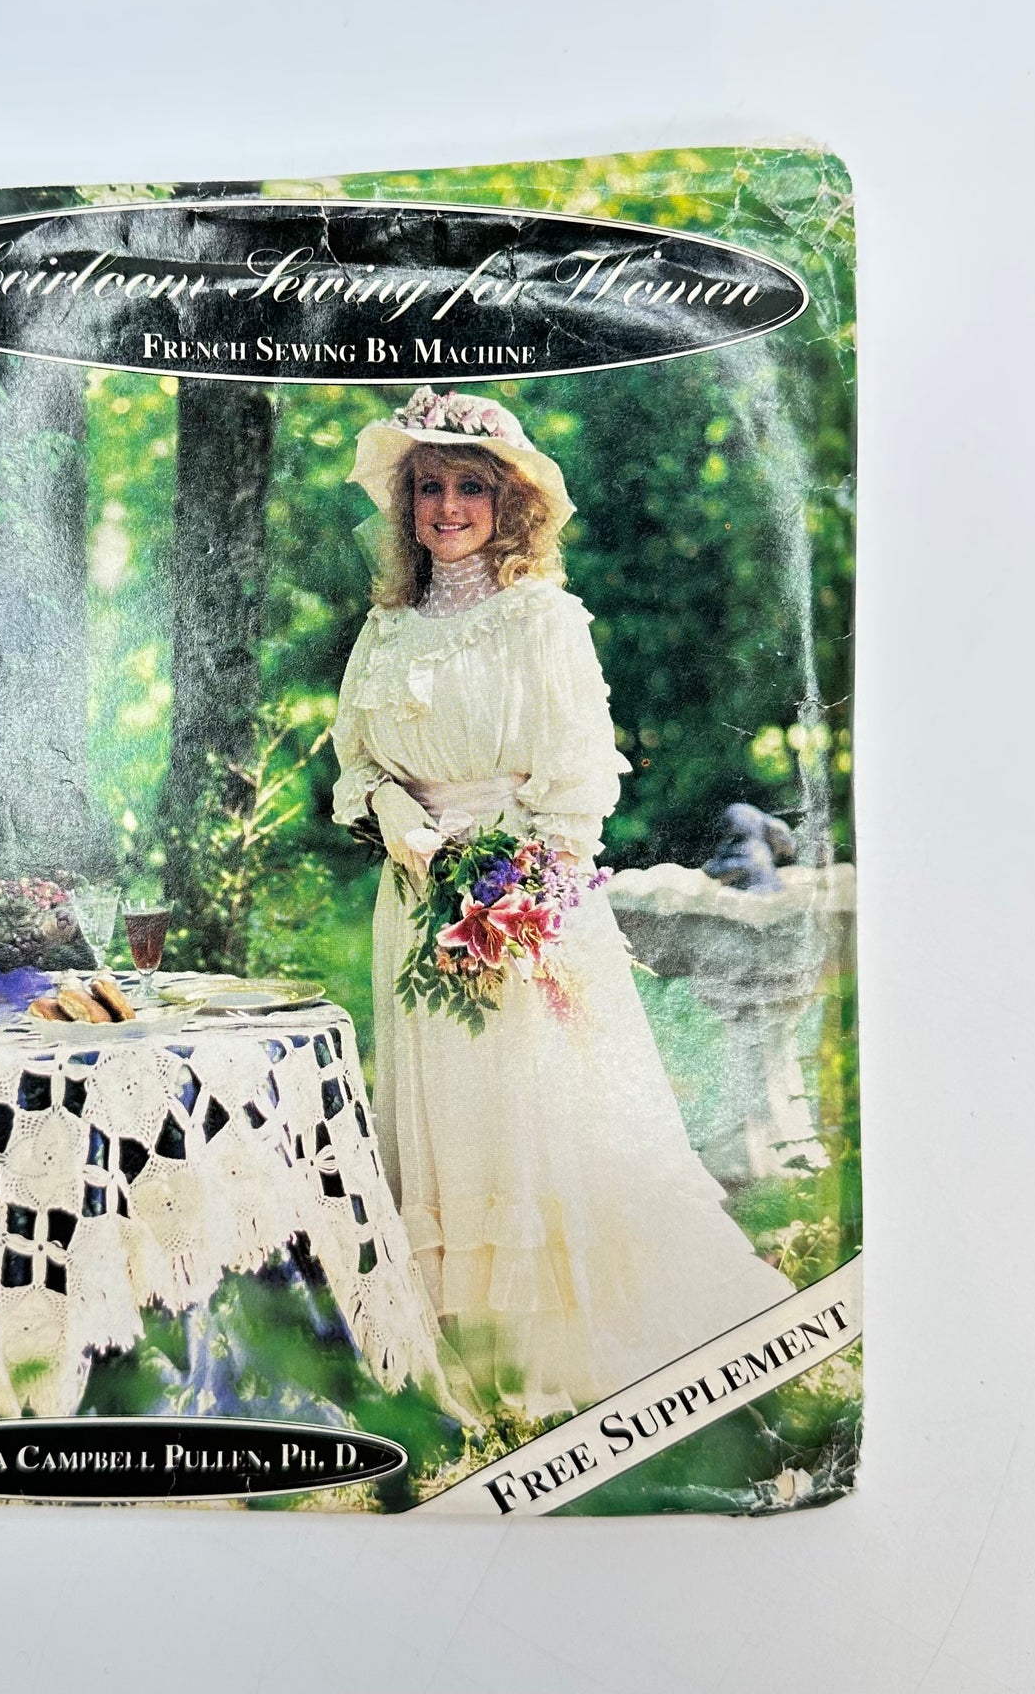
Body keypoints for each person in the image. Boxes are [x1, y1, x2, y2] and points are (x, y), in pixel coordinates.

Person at [331, 388, 792, 1418]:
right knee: (447, 1109)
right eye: (429, 488)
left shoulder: (540, 619)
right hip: (414, 897)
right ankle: (462, 1347)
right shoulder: (386, 629)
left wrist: (510, 893)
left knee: (533, 1106)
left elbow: (578, 783)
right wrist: (392, 813)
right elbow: (353, 762)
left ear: (511, 504)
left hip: (516, 904)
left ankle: (558, 1351)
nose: (448, 508)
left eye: (471, 487)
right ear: (406, 505)